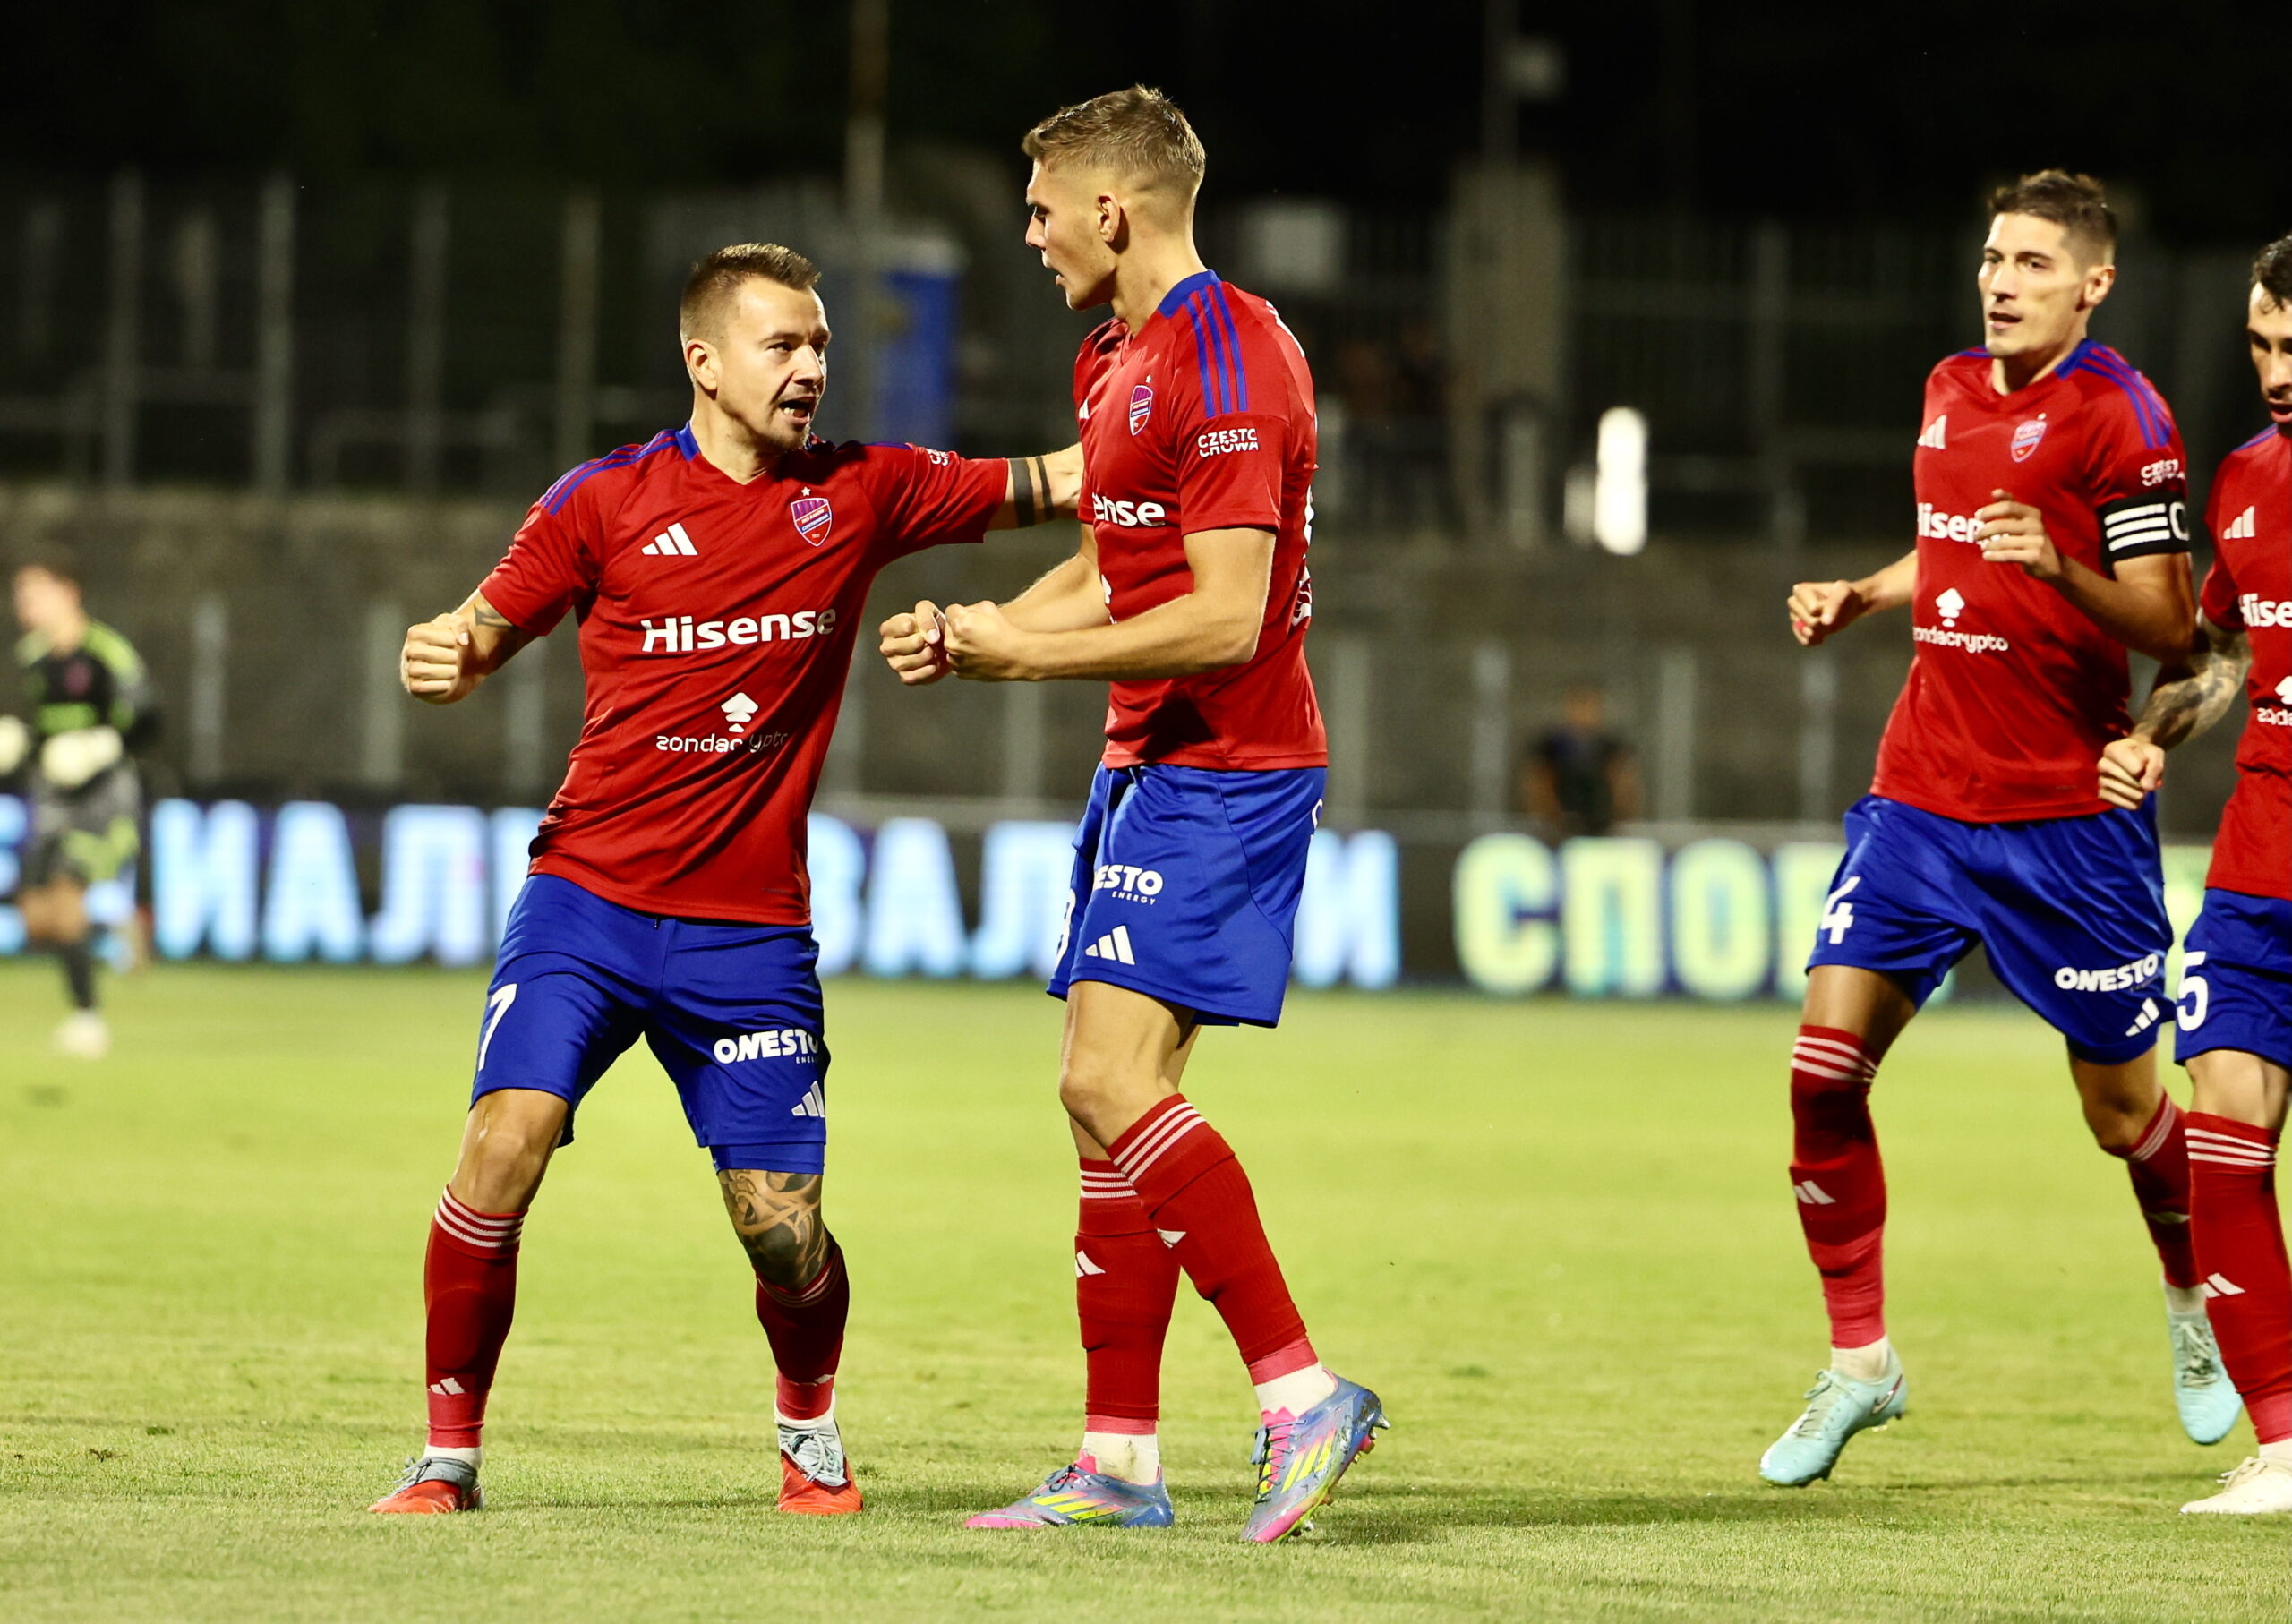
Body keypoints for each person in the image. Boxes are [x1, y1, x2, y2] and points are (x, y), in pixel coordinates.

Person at [366, 242, 1081, 1516]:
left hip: (747, 932)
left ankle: (807, 1426)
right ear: (703, 360)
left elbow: (1055, 480)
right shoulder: (602, 500)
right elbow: (483, 622)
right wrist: (451, 651)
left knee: (781, 1231)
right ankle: (446, 1459)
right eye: (782, 345)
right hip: (585, 901)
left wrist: (1181, 436)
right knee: (503, 1141)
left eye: (821, 347)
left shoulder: (863, 490)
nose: (811, 368)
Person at [878, 87, 1384, 1543]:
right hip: (1149, 768)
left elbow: (1226, 618)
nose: (1032, 234)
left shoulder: (1229, 354)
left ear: (1113, 207)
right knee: (1112, 1110)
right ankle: (1118, 1458)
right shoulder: (1114, 357)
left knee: (1104, 1080)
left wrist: (1019, 659)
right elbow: (1119, 564)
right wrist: (985, 624)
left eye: (1044, 209)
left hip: (1229, 770)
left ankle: (1302, 1390)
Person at [1761, 171, 2230, 1487]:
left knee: (2122, 1112)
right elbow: (1952, 542)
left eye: (2031, 263)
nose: (2000, 281)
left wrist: (2056, 564)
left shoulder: (2124, 416)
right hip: (1922, 793)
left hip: (2065, 820)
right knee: (1821, 1070)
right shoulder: (1949, 388)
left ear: (2093, 284)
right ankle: (1861, 1361)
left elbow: (2173, 624)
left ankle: (2194, 1295)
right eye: (1990, 258)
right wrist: (1866, 590)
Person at [2099, 232, 2292, 1516]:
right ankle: (2285, 1445)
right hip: (2259, 866)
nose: (2275, 370)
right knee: (2223, 1135)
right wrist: (2155, 732)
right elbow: (2222, 646)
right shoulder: (2246, 478)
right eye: (2260, 343)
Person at [0, 554, 152, 1059]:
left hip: (103, 799)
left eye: (35, 592)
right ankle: (114, 929)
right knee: (35, 918)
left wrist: (101, 745)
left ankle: (88, 1021)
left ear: (69, 592)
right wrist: (20, 742)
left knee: (65, 899)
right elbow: (45, 731)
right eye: (20, 594)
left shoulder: (106, 651)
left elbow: (148, 719)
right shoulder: (33, 659)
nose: (25, 604)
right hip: (53, 798)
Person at [1520, 682, 1638, 836]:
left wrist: (1618, 821)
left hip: (1603, 825)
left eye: (1590, 706)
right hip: (1556, 826)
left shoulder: (1612, 748)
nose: (1584, 712)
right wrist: (1548, 818)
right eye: (1578, 705)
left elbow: (1625, 790)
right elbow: (1537, 786)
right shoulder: (1549, 747)